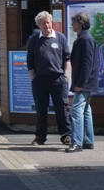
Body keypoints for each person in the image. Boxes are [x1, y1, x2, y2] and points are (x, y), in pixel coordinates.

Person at [26, 10, 72, 147]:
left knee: (62, 108)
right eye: (43, 24)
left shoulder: (60, 38)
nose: (47, 26)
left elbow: (67, 59)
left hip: (58, 79)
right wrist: (33, 77)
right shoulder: (34, 40)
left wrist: (65, 76)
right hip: (40, 80)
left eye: (48, 22)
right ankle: (40, 138)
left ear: (52, 22)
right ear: (39, 26)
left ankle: (66, 136)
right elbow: (29, 60)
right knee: (41, 109)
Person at [67, 12, 99, 153]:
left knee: (76, 111)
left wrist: (80, 83)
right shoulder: (84, 38)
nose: (71, 24)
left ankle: (77, 143)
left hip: (83, 83)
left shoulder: (85, 39)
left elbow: (87, 64)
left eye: (73, 22)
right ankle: (88, 140)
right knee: (86, 111)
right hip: (86, 82)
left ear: (80, 23)